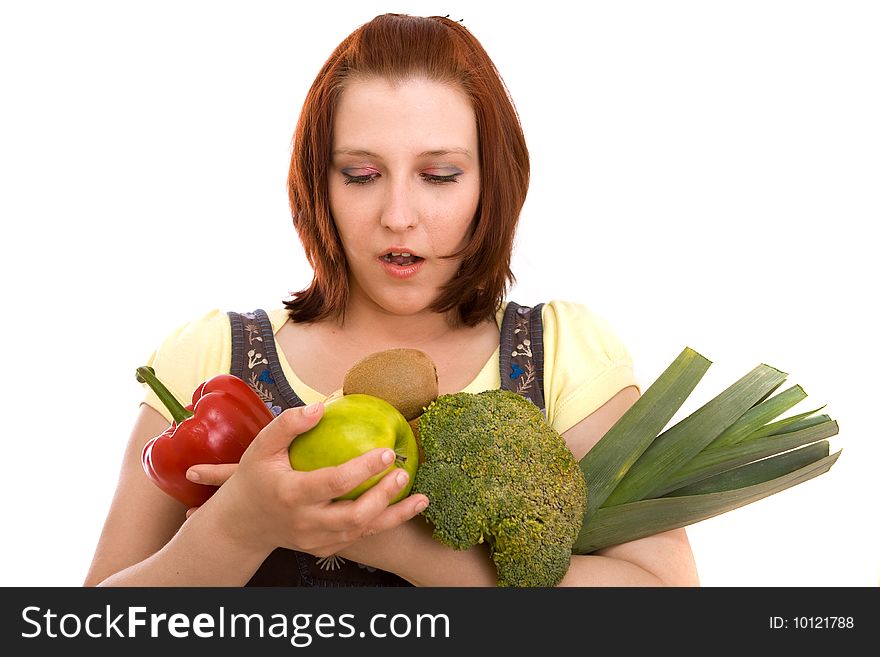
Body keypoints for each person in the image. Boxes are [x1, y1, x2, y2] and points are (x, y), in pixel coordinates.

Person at [84, 13, 699, 587]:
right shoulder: (212, 354)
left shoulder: (562, 352)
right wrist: (239, 526)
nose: (398, 217)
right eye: (361, 174)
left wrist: (383, 540)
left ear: (493, 180)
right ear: (316, 181)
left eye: (439, 176)